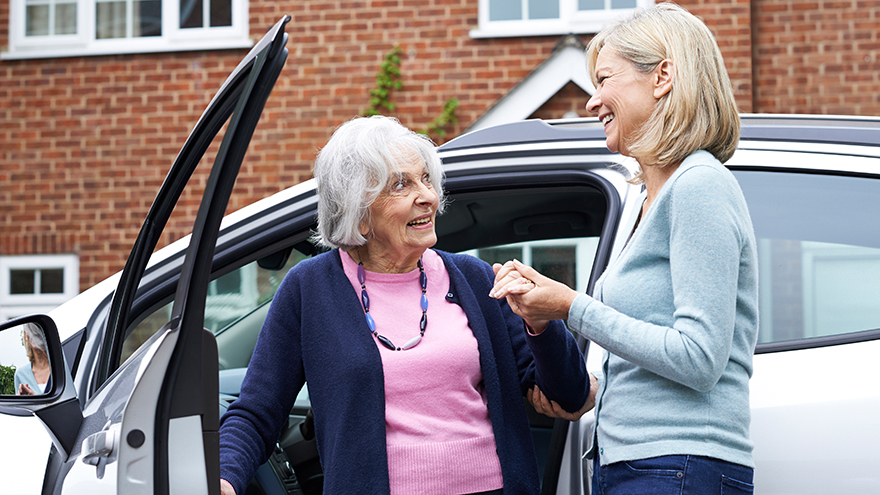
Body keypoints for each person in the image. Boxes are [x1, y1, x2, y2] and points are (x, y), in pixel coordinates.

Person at [218, 115, 591, 495]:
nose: (428, 195)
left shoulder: (476, 279)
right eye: (401, 184)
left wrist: (541, 323)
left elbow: (569, 394)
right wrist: (224, 478)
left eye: (426, 178)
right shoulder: (309, 288)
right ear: (359, 212)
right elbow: (257, 410)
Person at [491, 3, 758, 494]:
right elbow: (656, 346)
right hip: (643, 466)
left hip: (674, 466)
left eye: (606, 80)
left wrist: (571, 305)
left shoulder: (699, 185)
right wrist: (601, 389)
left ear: (662, 77)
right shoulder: (651, 199)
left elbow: (699, 358)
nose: (593, 102)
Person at [14, 323, 50, 395]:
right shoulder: (20, 374)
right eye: (34, 332)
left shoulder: (60, 367)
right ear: (26, 335)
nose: (37, 336)